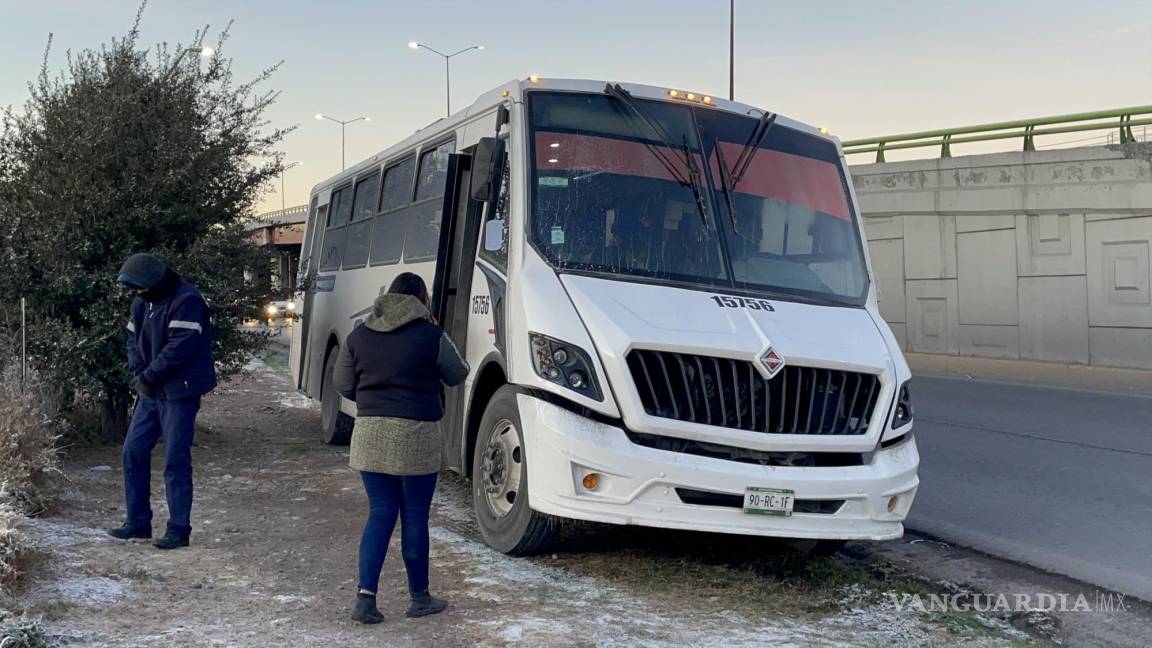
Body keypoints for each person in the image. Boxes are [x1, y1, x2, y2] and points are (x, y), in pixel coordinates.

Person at [334, 272, 469, 625]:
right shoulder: (431, 334)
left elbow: (342, 383)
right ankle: (419, 598)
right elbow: (459, 373)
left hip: (370, 434)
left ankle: (365, 598)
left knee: (380, 512)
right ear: (421, 299)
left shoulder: (358, 335)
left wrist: (375, 402)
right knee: (414, 517)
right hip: (417, 435)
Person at [107, 253, 216, 550]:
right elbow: (132, 339)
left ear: (152, 282)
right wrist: (139, 371)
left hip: (180, 392)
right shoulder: (142, 301)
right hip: (151, 392)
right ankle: (137, 523)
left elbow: (180, 348)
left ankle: (178, 529)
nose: (136, 294)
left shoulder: (188, 301)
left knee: (175, 460)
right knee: (132, 452)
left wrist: (149, 375)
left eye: (139, 288)